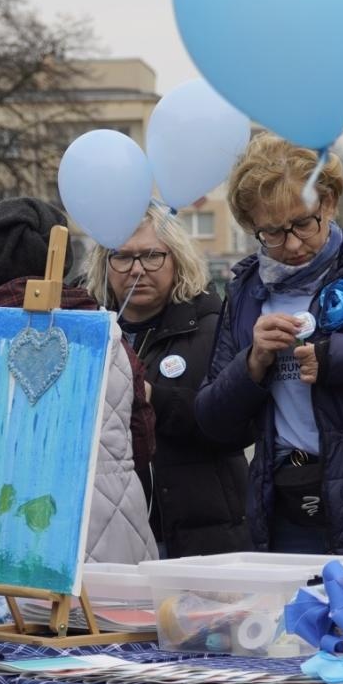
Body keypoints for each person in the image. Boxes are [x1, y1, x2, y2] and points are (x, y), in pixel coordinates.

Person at [0, 197, 158, 565]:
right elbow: (142, 446)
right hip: (114, 554)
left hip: (11, 554)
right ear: (64, 257)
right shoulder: (109, 336)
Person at [196, 134, 343, 555]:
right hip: (284, 506)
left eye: (303, 223)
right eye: (271, 232)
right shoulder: (247, 290)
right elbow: (212, 422)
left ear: (328, 202)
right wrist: (252, 363)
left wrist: (334, 358)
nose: (290, 244)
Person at [83, 203, 249, 557]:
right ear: (104, 263)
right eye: (122, 257)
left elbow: (232, 426)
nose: (137, 270)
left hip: (199, 539)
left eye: (152, 256)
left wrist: (152, 398)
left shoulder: (212, 327)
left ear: (177, 258)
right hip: (110, 537)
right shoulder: (90, 334)